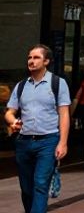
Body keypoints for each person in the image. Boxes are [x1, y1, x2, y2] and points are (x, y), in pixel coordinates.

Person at [4, 45, 71, 213]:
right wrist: (13, 121)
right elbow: (10, 112)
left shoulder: (57, 83)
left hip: (47, 142)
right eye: (29, 58)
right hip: (24, 142)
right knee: (26, 188)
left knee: (41, 184)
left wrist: (63, 142)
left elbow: (64, 114)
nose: (31, 61)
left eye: (36, 58)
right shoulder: (21, 86)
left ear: (46, 61)